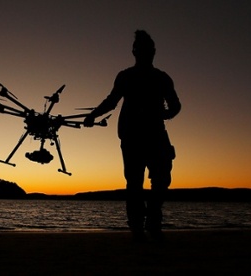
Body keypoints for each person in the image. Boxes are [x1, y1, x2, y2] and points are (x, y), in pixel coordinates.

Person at [84, 30, 181, 241]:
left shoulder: (162, 78)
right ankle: (137, 226)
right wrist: (93, 115)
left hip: (156, 135)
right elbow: (112, 101)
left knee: (162, 179)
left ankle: (152, 220)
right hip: (131, 136)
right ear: (134, 52)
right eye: (141, 49)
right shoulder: (125, 76)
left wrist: (162, 114)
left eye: (149, 49)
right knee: (134, 182)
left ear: (153, 52)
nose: (146, 53)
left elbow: (175, 106)